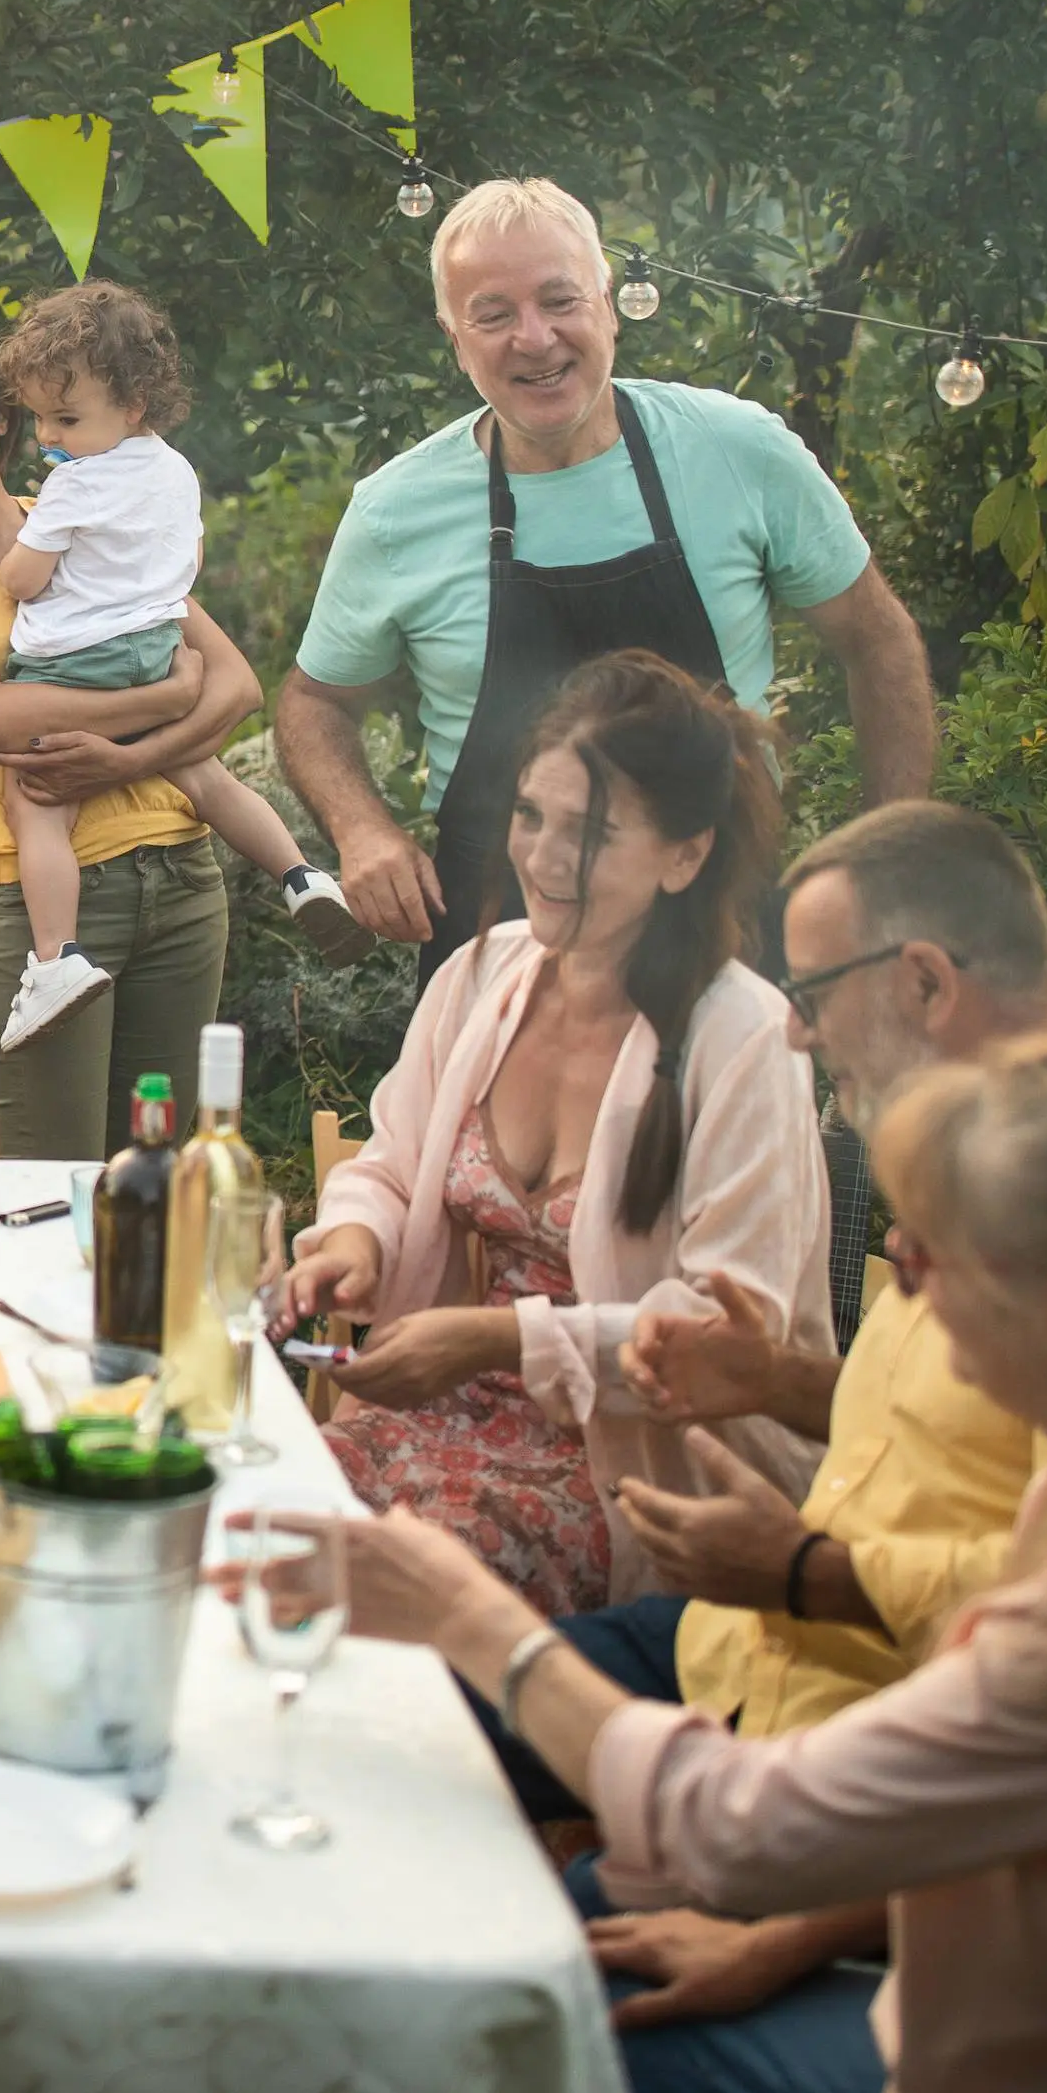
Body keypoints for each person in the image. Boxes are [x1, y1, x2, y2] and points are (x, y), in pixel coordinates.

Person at [290, 1033, 1047, 2093]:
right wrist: (779, 1936)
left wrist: (468, 1614)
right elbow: (1000, 1795)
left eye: (930, 1259)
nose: (903, 1273)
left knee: (534, 2031)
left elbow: (735, 1827)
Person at [490, 800, 1047, 2092]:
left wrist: (805, 1575)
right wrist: (774, 1379)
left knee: (523, 2006)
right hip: (737, 1657)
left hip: (874, 1752)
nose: (795, 1026)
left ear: (926, 981)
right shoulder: (976, 1163)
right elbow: (945, 1429)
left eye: (814, 988)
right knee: (401, 1704)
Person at [274, 177, 937, 970]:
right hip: (496, 943)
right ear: (454, 339)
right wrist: (363, 828)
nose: (534, 337)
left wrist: (887, 865)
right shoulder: (395, 512)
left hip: (716, 928)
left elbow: (878, 640)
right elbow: (315, 701)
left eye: (560, 300)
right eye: (493, 315)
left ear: (609, 305)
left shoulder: (737, 450)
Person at [284, 652, 826, 1615]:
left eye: (590, 834)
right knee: (269, 1527)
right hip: (448, 1412)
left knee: (402, 1586)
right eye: (532, 815)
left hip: (636, 1470)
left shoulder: (742, 1039)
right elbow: (392, 1163)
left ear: (684, 856)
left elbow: (725, 1333)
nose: (539, 857)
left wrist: (493, 1341)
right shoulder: (484, 974)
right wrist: (355, 1242)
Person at [0, 313, 267, 1159]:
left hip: (182, 884)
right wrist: (164, 695)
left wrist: (132, 757)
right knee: (48, 1189)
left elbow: (237, 685)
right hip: (40, 908)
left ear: (4, 417)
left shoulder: (82, 507)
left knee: (155, 1185)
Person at [0, 281, 364, 1053]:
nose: (49, 437)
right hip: (157, 651)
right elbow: (185, 560)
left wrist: (23, 555)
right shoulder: (173, 471)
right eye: (42, 420)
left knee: (36, 806)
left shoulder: (72, 483)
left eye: (66, 418)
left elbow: (21, 580)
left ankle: (54, 959)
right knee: (205, 775)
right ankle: (302, 877)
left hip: (74, 666)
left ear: (133, 404)